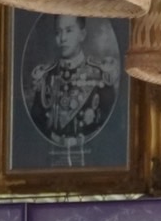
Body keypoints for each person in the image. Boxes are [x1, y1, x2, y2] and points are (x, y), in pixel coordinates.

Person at [25, 14, 119, 147]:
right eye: (58, 32)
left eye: (69, 31)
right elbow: (36, 123)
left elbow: (110, 128)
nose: (62, 38)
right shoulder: (46, 76)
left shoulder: (99, 75)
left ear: (82, 35)